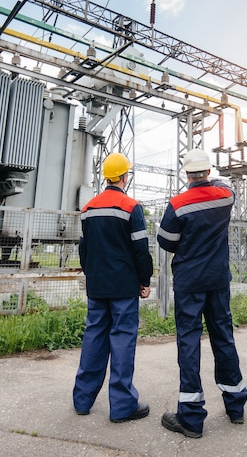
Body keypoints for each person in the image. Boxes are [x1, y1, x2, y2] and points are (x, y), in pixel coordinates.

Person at [157, 148, 247, 439]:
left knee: (189, 343)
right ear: (209, 172)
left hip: (190, 282)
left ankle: (192, 418)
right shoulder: (225, 197)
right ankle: (236, 407)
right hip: (218, 280)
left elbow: (166, 241)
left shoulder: (178, 204)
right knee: (223, 338)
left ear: (186, 174)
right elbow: (226, 183)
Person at [73, 152, 153, 422]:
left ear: (107, 176)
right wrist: (145, 280)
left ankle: (82, 400)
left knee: (93, 338)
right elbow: (140, 250)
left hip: (97, 287)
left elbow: (84, 250)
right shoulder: (131, 207)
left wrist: (92, 275)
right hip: (123, 288)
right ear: (124, 176)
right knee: (122, 341)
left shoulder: (88, 209)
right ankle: (122, 406)